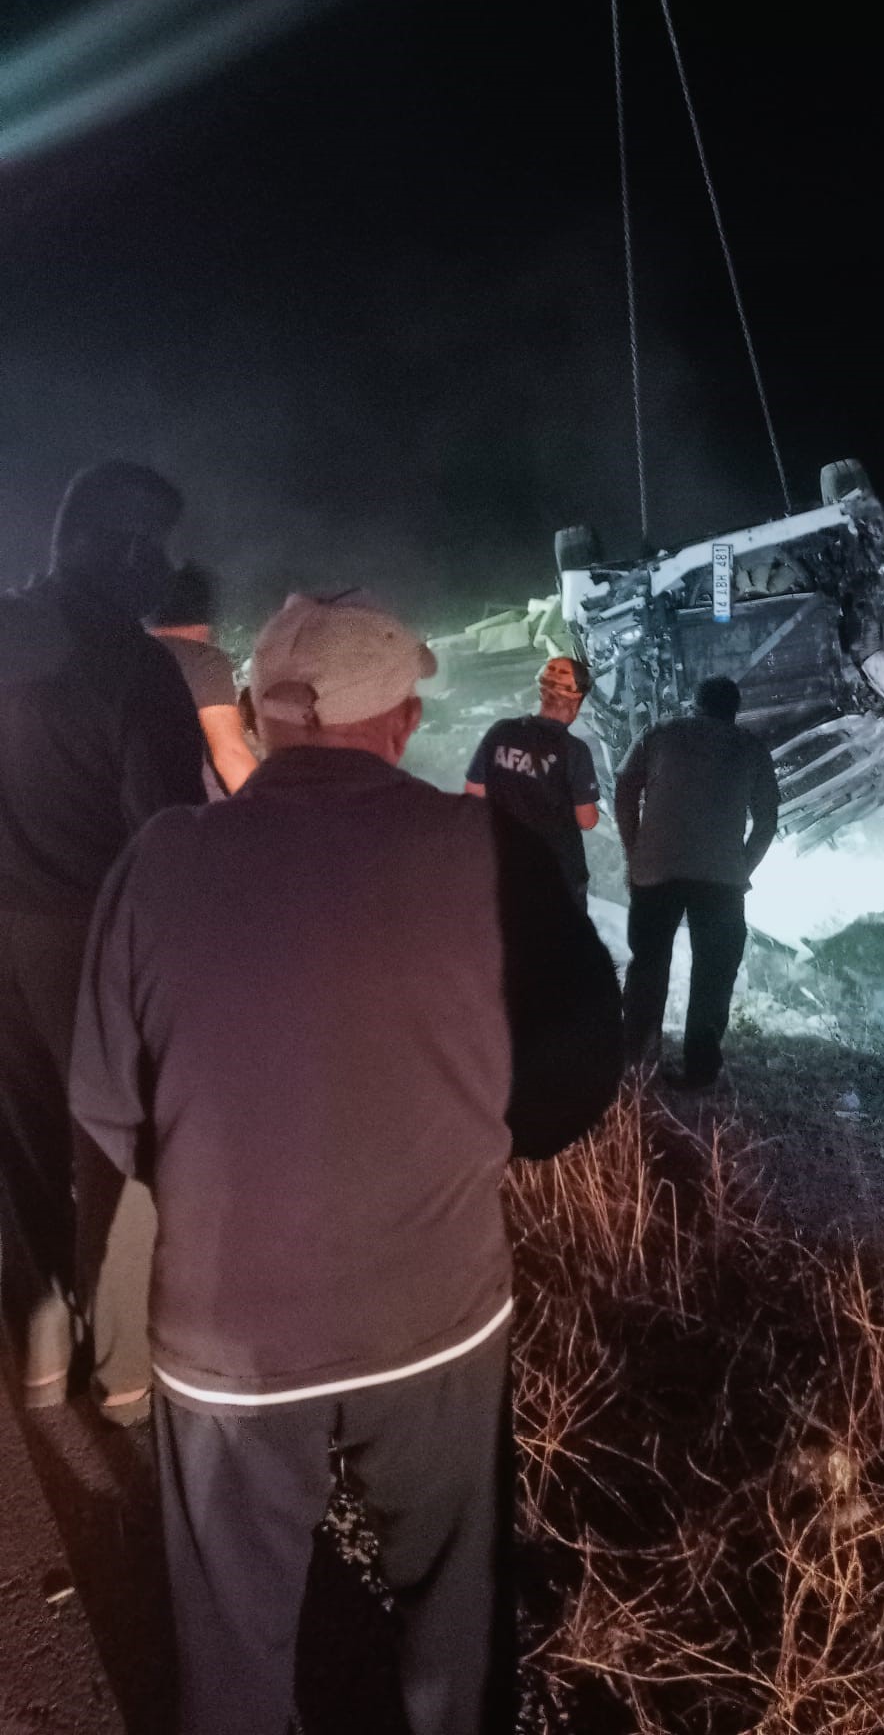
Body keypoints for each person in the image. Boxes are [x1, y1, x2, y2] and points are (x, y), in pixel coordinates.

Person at [70, 591, 624, 1735]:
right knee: (453, 1601)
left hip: (229, 1340)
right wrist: (476, 1141)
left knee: (231, 1633)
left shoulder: (158, 861)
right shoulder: (488, 854)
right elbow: (579, 1064)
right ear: (403, 718)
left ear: (264, 720)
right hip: (437, 1313)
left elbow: (107, 1109)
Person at [0, 461, 205, 1420]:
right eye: (152, 546)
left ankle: (42, 1341)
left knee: (24, 1146)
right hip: (85, 940)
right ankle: (120, 1369)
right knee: (116, 1149)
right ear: (115, 548)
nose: (161, 568)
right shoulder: (133, 665)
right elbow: (163, 835)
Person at [614, 674, 779, 1090]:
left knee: (648, 965)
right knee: (714, 972)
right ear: (734, 710)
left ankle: (637, 1060)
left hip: (656, 868)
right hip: (722, 879)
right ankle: (700, 1070)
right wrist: (744, 865)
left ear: (695, 704)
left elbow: (624, 787)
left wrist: (632, 850)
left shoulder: (660, 734)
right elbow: (767, 819)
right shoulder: (751, 748)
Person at [465, 654, 600, 904]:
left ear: (541, 692)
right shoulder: (574, 751)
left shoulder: (501, 731)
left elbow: (473, 791)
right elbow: (587, 820)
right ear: (576, 700)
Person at [148, 560, 259, 796]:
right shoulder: (203, 661)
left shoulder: (118, 657)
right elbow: (230, 755)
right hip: (188, 812)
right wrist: (272, 816)